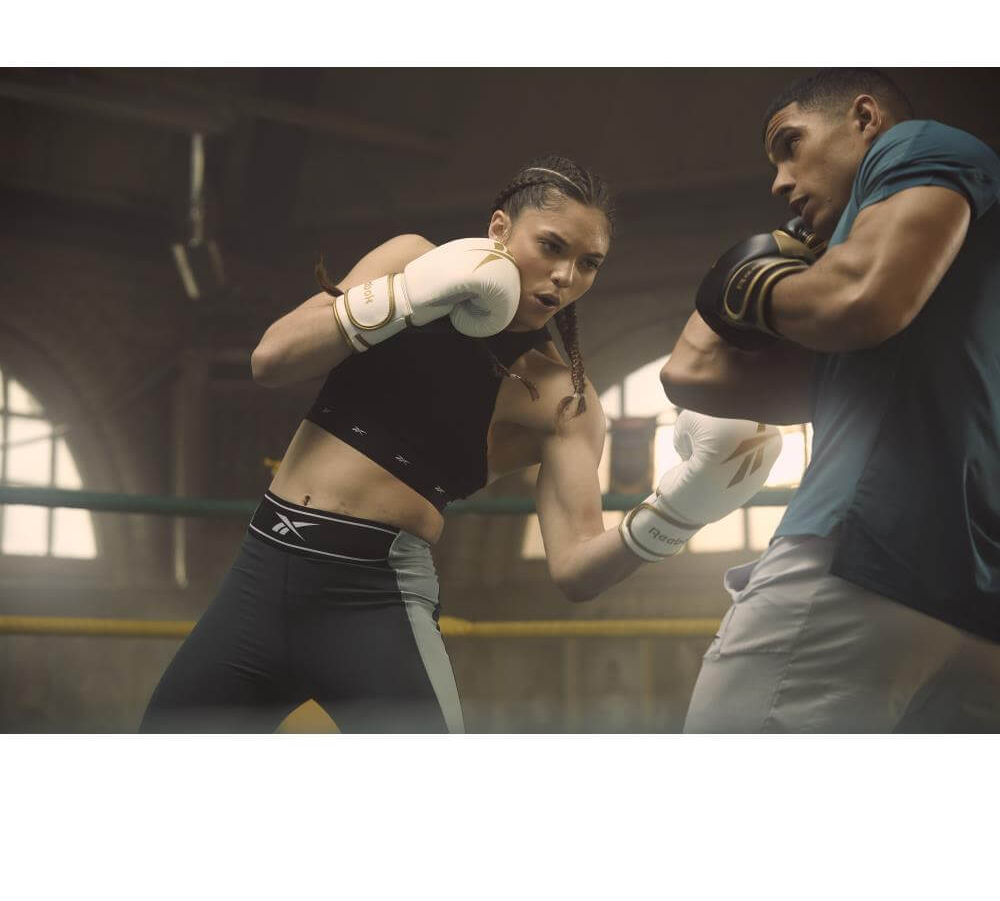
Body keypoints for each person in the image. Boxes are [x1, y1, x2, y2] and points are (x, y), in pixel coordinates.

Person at [140, 156, 780, 734]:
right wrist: (404, 297)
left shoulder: (562, 400)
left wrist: (679, 511)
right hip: (259, 571)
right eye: (551, 246)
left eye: (589, 264)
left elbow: (576, 569)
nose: (564, 277)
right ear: (500, 229)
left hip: (373, 603)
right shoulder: (411, 259)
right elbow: (270, 359)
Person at [663, 68, 1000, 733]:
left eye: (789, 145)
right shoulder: (931, 305)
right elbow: (690, 373)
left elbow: (858, 298)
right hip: (974, 603)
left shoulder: (916, 145)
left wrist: (752, 279)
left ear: (865, 119)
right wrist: (776, 254)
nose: (779, 182)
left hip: (858, 558)